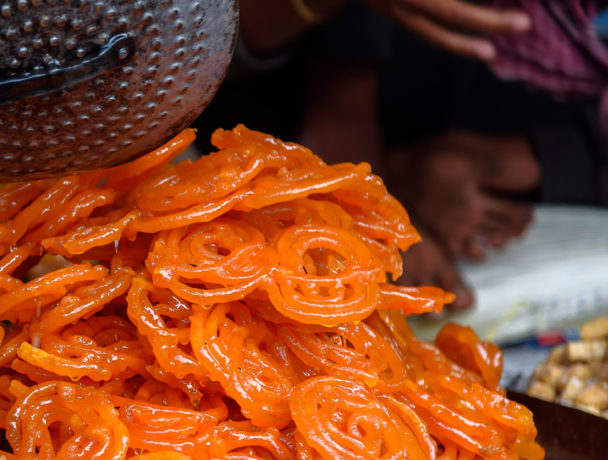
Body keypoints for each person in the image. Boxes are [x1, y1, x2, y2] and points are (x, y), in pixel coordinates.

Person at [201, 0, 608, 310]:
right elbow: (182, 38)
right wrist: (354, 153)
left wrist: (544, 159)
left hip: (533, 185)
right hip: (263, 164)